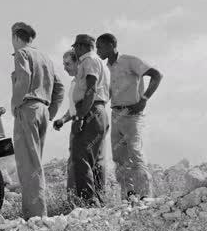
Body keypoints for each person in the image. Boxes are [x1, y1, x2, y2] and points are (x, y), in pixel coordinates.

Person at [96, 33, 163, 200]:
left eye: (100, 47)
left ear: (111, 45)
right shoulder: (107, 68)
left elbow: (157, 75)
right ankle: (128, 197)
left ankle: (145, 197)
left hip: (133, 115)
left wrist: (144, 99)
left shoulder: (129, 60)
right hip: (116, 114)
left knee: (135, 154)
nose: (97, 50)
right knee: (119, 157)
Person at [11, 22, 64, 219]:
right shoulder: (45, 58)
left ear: (16, 36)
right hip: (42, 110)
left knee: (28, 165)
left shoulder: (22, 54)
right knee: (35, 162)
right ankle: (38, 213)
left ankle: (35, 215)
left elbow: (23, 78)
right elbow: (59, 87)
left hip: (28, 108)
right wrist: (50, 112)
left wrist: (15, 104)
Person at [69, 34, 110, 206]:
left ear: (80, 47)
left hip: (90, 110)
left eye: (75, 48)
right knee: (96, 159)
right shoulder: (101, 63)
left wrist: (80, 116)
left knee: (80, 156)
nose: (75, 52)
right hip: (99, 111)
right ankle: (100, 199)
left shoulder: (89, 60)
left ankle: (89, 201)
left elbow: (90, 89)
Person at [53, 49, 79, 197]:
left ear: (77, 62)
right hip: (75, 124)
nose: (65, 67)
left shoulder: (84, 80)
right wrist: (63, 120)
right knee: (73, 163)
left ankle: (82, 200)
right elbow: (73, 108)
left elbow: (86, 104)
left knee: (79, 163)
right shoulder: (75, 82)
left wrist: (81, 120)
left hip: (84, 123)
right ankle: (74, 199)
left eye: (68, 64)